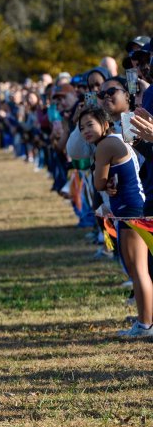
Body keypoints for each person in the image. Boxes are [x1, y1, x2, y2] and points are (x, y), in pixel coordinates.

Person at [79, 106, 151, 338]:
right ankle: (145, 321)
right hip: (133, 209)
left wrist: (104, 180)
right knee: (138, 269)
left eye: (90, 124)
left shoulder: (105, 145)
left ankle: (145, 325)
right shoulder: (116, 139)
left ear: (105, 124)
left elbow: (99, 183)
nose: (85, 131)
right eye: (81, 127)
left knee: (138, 270)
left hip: (130, 212)